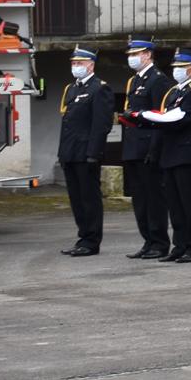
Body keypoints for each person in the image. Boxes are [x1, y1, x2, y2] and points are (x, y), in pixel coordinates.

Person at [58, 47, 114, 257]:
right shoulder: (71, 89)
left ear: (91, 65)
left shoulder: (99, 89)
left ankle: (91, 241)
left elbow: (101, 125)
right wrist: (62, 153)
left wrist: (94, 153)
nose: (75, 67)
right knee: (77, 198)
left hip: (86, 153)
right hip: (70, 153)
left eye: (79, 64)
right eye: (73, 64)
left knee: (89, 198)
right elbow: (67, 125)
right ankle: (83, 237)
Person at [118, 35, 171, 259]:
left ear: (147, 55)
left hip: (149, 146)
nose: (132, 58)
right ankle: (148, 240)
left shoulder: (157, 80)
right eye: (130, 55)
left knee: (154, 198)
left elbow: (160, 116)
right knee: (139, 198)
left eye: (135, 54)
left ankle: (159, 242)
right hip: (133, 147)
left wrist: (154, 149)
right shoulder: (136, 81)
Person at [152, 50, 191, 263]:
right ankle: (179, 245)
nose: (176, 71)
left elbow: (182, 119)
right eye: (175, 67)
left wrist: (157, 119)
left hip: (186, 153)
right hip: (169, 153)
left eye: (180, 67)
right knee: (175, 204)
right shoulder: (173, 92)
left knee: (189, 204)